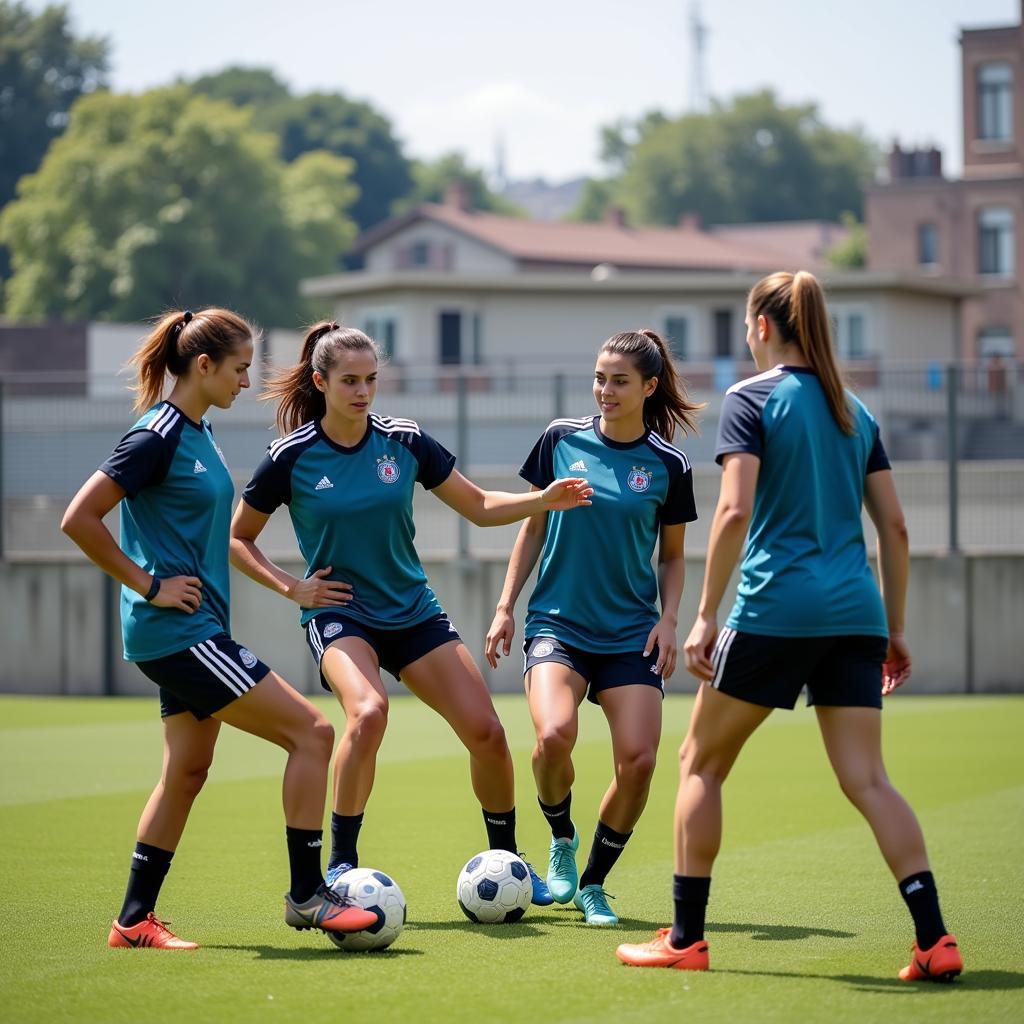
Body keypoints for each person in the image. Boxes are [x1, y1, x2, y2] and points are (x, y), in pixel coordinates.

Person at [615, 271, 962, 981]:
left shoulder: (751, 399)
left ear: (764, 327)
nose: (747, 337)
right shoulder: (853, 410)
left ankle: (686, 938)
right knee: (869, 779)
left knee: (700, 764)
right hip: (857, 614)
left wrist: (705, 614)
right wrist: (894, 627)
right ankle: (934, 940)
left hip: (776, 609)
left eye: (747, 326)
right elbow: (894, 525)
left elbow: (734, 512)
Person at [229, 321, 592, 902]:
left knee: (488, 734)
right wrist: (291, 588)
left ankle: (510, 862)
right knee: (368, 713)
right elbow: (238, 538)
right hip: (342, 616)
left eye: (371, 379)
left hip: (413, 611)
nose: (363, 391)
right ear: (320, 382)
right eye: (349, 380)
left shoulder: (404, 439)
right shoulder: (290, 456)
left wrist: (542, 498)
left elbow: (477, 506)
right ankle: (343, 864)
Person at [61, 309, 379, 951]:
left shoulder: (198, 431)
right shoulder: (157, 436)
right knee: (314, 733)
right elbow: (80, 518)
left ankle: (133, 920)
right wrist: (149, 585)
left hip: (188, 631)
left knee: (186, 770)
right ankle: (307, 897)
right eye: (239, 370)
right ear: (202, 366)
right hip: (179, 634)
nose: (247, 382)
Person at [485, 329, 701, 926]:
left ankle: (593, 883)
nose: (606, 390)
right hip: (558, 624)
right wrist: (506, 605)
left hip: (632, 634)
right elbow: (531, 525)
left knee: (639, 762)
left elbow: (675, 555)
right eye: (600, 377)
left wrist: (670, 618)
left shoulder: (668, 465)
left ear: (649, 387)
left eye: (620, 380)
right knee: (553, 737)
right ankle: (560, 839)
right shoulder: (560, 440)